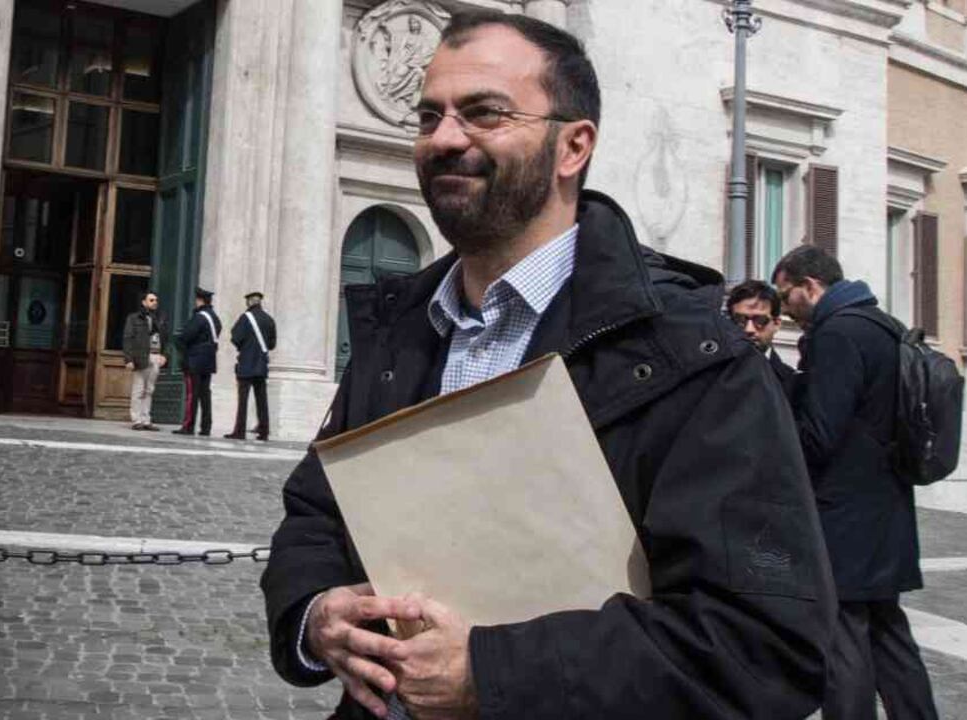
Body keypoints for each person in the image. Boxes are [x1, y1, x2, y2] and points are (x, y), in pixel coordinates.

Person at [261, 11, 834, 720]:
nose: (444, 139)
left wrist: (491, 674)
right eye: (429, 115)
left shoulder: (694, 355)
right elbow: (316, 509)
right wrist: (317, 613)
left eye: (484, 113)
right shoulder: (396, 328)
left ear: (574, 146)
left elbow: (764, 646)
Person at [771, 244, 939, 720]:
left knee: (842, 635)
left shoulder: (838, 334)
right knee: (889, 633)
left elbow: (820, 433)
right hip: (886, 508)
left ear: (811, 286)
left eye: (788, 298)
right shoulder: (881, 325)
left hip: (844, 516)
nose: (786, 311)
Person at [225, 291, 277, 441]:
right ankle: (264, 431)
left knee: (243, 400)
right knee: (262, 399)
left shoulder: (245, 318)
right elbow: (272, 344)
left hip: (246, 363)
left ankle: (239, 431)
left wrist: (245, 347)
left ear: (249, 302)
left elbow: (235, 338)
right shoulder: (269, 319)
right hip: (261, 364)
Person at [726, 279, 795, 391]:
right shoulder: (710, 375)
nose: (749, 329)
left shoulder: (794, 383)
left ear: (776, 324)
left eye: (760, 320)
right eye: (740, 320)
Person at [173, 287, 222, 436]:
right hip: (209, 360)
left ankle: (188, 426)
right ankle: (206, 427)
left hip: (195, 360)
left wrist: (180, 346)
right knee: (205, 394)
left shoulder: (199, 317)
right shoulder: (215, 318)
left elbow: (186, 336)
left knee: (192, 394)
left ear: (199, 300)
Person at [122, 291, 168, 431]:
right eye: (151, 300)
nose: (155, 302)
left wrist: (165, 355)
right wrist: (128, 359)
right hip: (140, 356)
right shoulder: (134, 318)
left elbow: (165, 338)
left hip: (155, 356)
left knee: (149, 390)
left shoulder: (160, 318)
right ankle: (137, 420)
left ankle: (146, 420)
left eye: (156, 300)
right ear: (144, 302)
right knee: (138, 389)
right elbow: (128, 338)